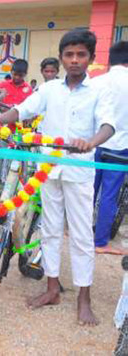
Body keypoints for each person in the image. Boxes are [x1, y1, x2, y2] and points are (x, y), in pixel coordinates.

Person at [0, 29, 115, 326]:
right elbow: (21, 110)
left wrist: (91, 141)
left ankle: (84, 297)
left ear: (91, 58)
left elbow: (108, 125)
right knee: (50, 229)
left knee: (81, 235)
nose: (75, 60)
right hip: (49, 169)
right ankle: (52, 287)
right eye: (69, 54)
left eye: (81, 54)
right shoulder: (50, 89)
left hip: (80, 171)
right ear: (61, 58)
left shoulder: (99, 91)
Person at [92, 41, 128, 255]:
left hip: (95, 143)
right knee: (109, 196)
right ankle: (101, 242)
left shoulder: (97, 82)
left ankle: (79, 232)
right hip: (121, 147)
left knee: (88, 190)